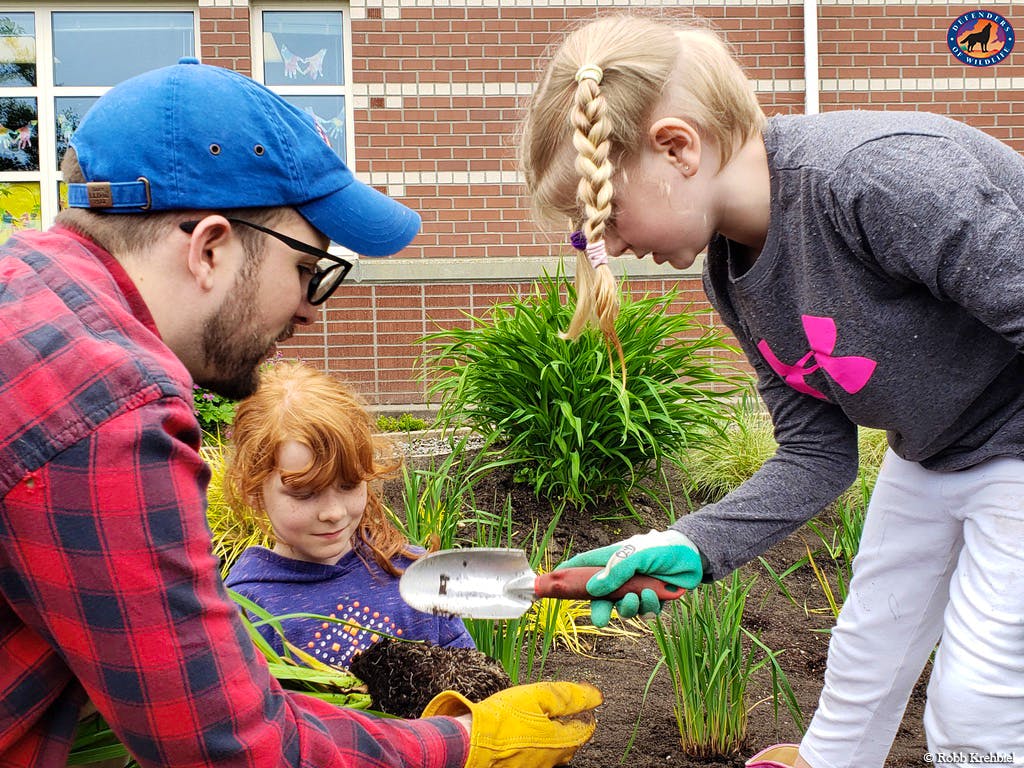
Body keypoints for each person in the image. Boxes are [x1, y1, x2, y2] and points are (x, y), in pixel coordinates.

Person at [0, 57, 601, 767]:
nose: (311, 310)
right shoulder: (105, 402)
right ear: (210, 247)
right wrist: (468, 743)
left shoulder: (27, 298)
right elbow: (227, 744)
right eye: (305, 270)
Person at [516, 13, 1024, 768]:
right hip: (935, 452)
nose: (610, 247)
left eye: (604, 214)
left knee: (976, 703)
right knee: (863, 657)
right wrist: (687, 544)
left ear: (678, 148)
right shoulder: (734, 272)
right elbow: (818, 454)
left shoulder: (880, 180)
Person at [222, 361, 475, 666]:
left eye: (349, 485)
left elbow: (471, 681)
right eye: (305, 493)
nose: (333, 513)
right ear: (253, 490)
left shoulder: (412, 573)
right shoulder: (245, 607)